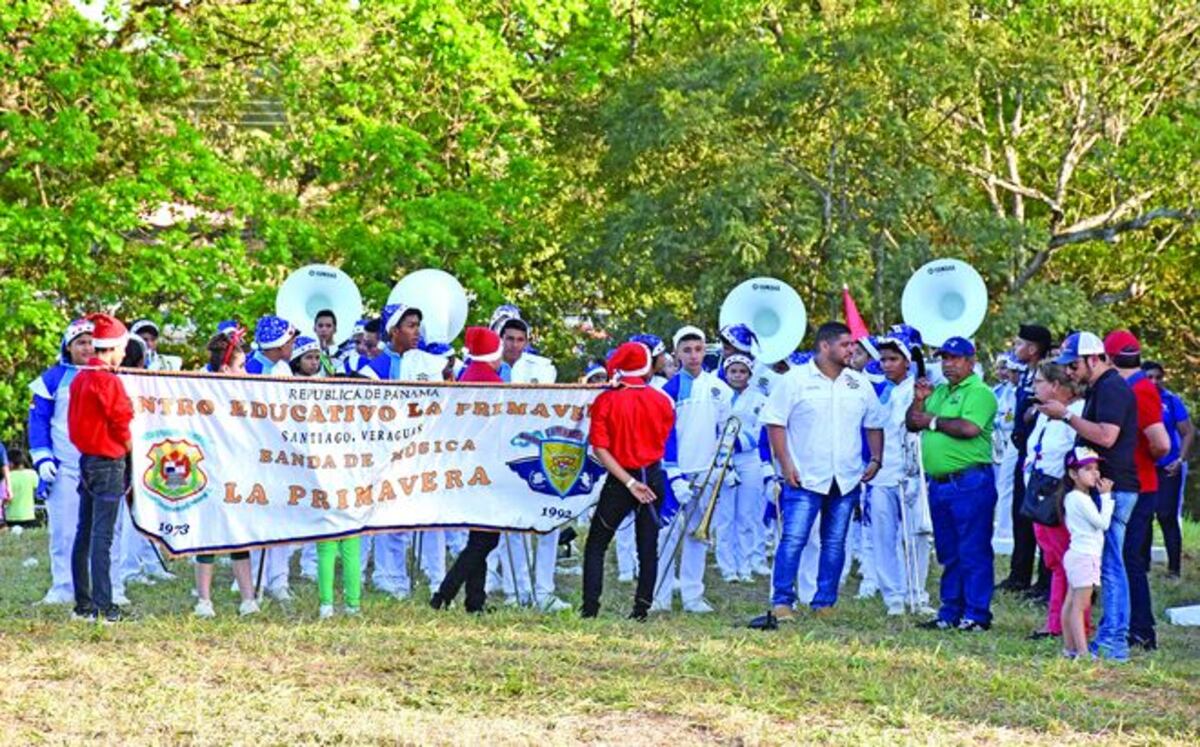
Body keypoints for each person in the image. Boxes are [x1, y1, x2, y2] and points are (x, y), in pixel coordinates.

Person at [759, 322, 885, 622]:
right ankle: (782, 601)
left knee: (834, 542)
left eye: (852, 344)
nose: (852, 349)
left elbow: (874, 422)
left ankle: (824, 601)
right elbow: (775, 422)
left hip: (846, 477)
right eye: (845, 344)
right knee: (793, 540)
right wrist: (786, 464)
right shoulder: (794, 380)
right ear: (825, 346)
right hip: (804, 476)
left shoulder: (859, 383)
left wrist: (876, 459)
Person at [1043, 331, 1139, 661]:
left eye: (1073, 365)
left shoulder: (1112, 387)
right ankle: (1110, 638)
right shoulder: (1102, 386)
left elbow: (1107, 437)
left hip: (1115, 487)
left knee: (1111, 566)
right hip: (1106, 485)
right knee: (1107, 565)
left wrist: (1067, 415)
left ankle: (1114, 642)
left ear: (1094, 359)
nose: (1069, 372)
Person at [907, 336, 998, 632]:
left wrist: (932, 420)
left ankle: (976, 614)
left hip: (969, 481)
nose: (948, 364)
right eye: (944, 358)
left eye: (955, 358)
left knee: (972, 549)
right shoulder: (940, 391)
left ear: (971, 362)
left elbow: (969, 428)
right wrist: (919, 399)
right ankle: (950, 612)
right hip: (941, 483)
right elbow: (912, 422)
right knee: (948, 550)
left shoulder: (980, 392)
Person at [581, 341, 676, 621]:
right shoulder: (662, 400)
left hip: (621, 480)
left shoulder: (606, 400)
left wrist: (628, 482)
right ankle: (641, 610)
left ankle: (590, 609)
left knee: (597, 543)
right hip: (654, 475)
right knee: (648, 547)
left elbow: (600, 448)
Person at [363, 303, 451, 599]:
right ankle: (390, 578)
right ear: (393, 330)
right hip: (387, 453)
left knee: (432, 515)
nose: (417, 331)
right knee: (390, 515)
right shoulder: (372, 371)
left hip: (424, 450)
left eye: (418, 325)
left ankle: (436, 576)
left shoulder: (428, 364)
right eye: (410, 325)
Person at [488, 309, 570, 612]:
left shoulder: (541, 368)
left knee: (548, 522)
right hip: (501, 453)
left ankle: (544, 590)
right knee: (512, 526)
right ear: (500, 339)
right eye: (509, 338)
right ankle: (516, 590)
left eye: (520, 339)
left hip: (536, 451)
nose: (514, 345)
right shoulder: (488, 367)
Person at [653, 325, 734, 614]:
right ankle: (659, 597)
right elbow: (665, 436)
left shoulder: (720, 389)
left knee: (698, 536)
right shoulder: (667, 391)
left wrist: (722, 468)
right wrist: (674, 476)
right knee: (666, 537)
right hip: (675, 476)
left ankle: (692, 596)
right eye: (686, 350)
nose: (693, 355)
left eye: (698, 349)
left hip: (707, 473)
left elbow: (726, 431)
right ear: (676, 354)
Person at [431, 327, 509, 613]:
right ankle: (444, 593)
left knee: (479, 536)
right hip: (487, 466)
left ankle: (475, 601)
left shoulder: (466, 377)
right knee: (487, 539)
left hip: (466, 465)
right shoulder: (494, 383)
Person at [68, 313, 134, 623]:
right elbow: (121, 421)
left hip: (87, 460)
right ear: (113, 348)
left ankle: (83, 604)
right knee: (102, 538)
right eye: (122, 348)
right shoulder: (107, 380)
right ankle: (104, 606)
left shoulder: (80, 377)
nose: (124, 354)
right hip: (109, 462)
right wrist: (131, 449)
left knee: (85, 533)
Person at [1105, 330, 1168, 651]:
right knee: (1125, 557)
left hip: (1140, 485)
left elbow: (1161, 442)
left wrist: (1142, 458)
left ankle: (1140, 628)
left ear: (1109, 358)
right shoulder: (1133, 387)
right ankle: (1134, 624)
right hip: (1133, 482)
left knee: (1129, 558)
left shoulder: (1140, 390)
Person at [28, 318, 95, 605]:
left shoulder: (108, 375)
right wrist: (42, 458)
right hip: (64, 466)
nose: (88, 347)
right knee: (64, 530)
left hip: (99, 464)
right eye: (81, 342)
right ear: (69, 347)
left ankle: (104, 585)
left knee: (103, 530)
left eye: (91, 342)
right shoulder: (52, 379)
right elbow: (38, 421)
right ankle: (63, 586)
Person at [193, 331, 260, 618]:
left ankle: (248, 597)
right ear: (225, 369)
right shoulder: (202, 393)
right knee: (208, 534)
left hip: (239, 469)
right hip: (210, 469)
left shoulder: (248, 395)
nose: (245, 372)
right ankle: (204, 600)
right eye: (241, 366)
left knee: (239, 533)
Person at [866, 334, 933, 616]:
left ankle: (916, 593)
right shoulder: (876, 390)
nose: (886, 365)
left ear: (907, 361)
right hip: (884, 473)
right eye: (882, 359)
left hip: (911, 471)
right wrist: (875, 460)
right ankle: (892, 596)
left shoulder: (920, 389)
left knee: (916, 535)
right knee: (883, 534)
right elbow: (873, 427)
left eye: (893, 359)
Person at [1026, 363, 1087, 640]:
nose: (1034, 386)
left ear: (1055, 386)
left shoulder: (1075, 413)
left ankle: (1066, 623)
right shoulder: (1044, 414)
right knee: (1053, 560)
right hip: (1038, 492)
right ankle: (1057, 620)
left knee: (1067, 562)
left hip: (1058, 495)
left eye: (1039, 381)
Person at [245, 315, 299, 601]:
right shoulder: (249, 368)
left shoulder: (283, 369)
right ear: (278, 344)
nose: (293, 345)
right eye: (290, 340)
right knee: (256, 513)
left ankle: (279, 578)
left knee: (281, 512)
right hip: (254, 452)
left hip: (282, 452)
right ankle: (254, 578)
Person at [1000, 324, 1053, 599]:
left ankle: (1045, 581)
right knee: (1021, 514)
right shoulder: (1024, 375)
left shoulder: (1047, 374)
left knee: (1041, 517)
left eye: (1019, 343)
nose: (1015, 348)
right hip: (1024, 453)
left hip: (1041, 456)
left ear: (1032, 349)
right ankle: (1018, 574)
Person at [712, 353, 774, 582]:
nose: (737, 376)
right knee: (725, 515)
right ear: (726, 373)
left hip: (749, 459)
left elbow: (761, 430)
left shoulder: (760, 399)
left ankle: (746, 564)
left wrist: (738, 443)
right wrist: (723, 449)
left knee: (748, 514)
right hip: (723, 459)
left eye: (742, 372)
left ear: (750, 374)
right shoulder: (718, 395)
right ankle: (728, 567)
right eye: (733, 371)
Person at [1059, 447, 1115, 660]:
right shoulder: (1080, 499)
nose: (1095, 473)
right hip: (1085, 556)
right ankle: (1082, 652)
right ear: (1073, 474)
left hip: (1077, 554)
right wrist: (1107, 498)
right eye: (1088, 469)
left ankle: (1070, 648)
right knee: (1080, 606)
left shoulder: (1074, 497)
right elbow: (1102, 523)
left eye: (1097, 468)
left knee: (1071, 601)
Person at [1141, 360, 1192, 578]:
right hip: (1143, 465)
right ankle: (1142, 566)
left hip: (1168, 466)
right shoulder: (1135, 397)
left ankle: (1174, 569)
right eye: (1149, 377)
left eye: (1158, 377)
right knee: (1142, 516)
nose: (1154, 381)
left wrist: (1180, 459)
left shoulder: (1171, 401)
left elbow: (1188, 431)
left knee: (1166, 515)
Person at [3, 447, 38, 529]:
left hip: (10, 518)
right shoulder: (32, 474)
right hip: (29, 517)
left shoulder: (6, 478)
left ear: (10, 463)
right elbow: (39, 490)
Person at [312, 309, 340, 376]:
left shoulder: (342, 353)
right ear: (314, 329)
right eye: (320, 326)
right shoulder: (310, 352)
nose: (324, 329)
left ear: (335, 329)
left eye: (328, 326)